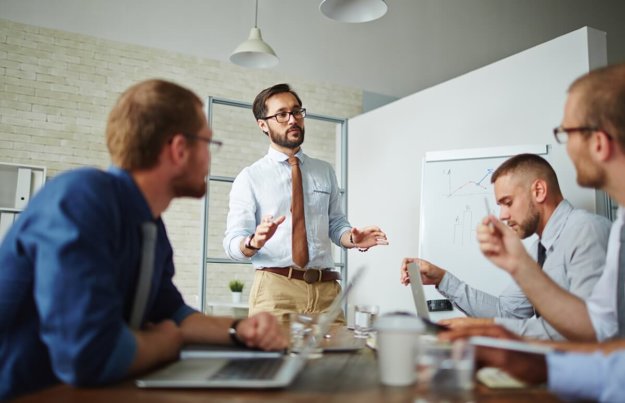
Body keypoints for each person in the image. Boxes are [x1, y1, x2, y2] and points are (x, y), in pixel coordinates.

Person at [0, 79, 286, 400]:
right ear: (179, 149)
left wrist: (238, 330)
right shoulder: (82, 196)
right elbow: (90, 357)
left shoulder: (149, 223)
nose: (209, 157)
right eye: (208, 143)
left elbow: (170, 311)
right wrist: (168, 343)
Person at [442, 63, 625, 402]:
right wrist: (517, 268)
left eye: (566, 132)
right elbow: (599, 328)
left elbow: (598, 338)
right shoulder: (615, 229)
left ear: (598, 142)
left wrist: (503, 340)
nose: (566, 146)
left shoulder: (590, 231)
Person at [400, 153, 610, 340]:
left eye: (507, 203)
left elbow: (588, 331)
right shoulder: (539, 249)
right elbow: (508, 312)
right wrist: (442, 278)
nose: (503, 216)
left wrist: (483, 328)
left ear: (538, 190)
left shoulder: (587, 231)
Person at [223, 83, 388, 320]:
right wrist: (253, 242)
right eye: (281, 114)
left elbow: (335, 224)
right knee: (275, 358)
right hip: (275, 291)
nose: (292, 120)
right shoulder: (250, 177)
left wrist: (352, 238)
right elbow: (232, 243)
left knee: (336, 357)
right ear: (263, 125)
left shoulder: (324, 171)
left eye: (297, 111)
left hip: (327, 292)